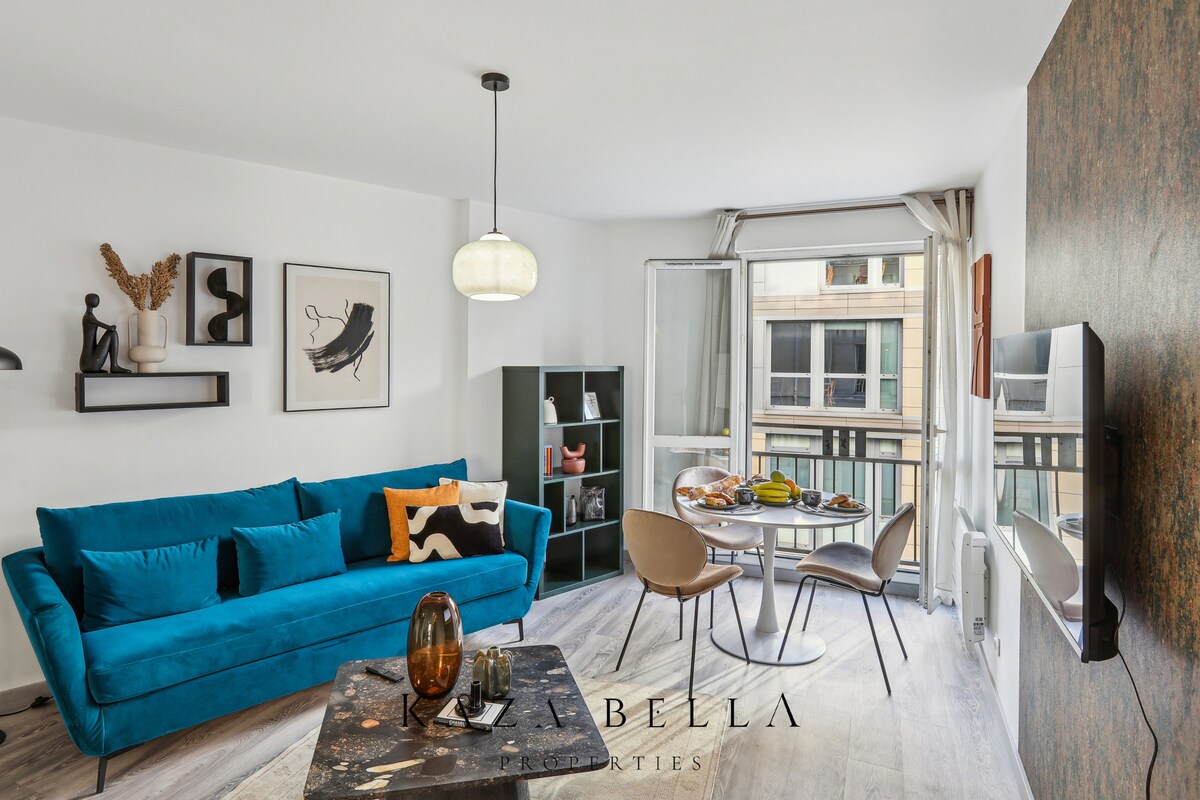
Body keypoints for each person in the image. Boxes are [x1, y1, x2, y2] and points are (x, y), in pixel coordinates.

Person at [79, 293, 131, 373]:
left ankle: (114, 365)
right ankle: (114, 366)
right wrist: (112, 327)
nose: (98, 301)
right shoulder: (88, 317)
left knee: (112, 333)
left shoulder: (90, 316)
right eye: (96, 299)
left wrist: (111, 327)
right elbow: (109, 328)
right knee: (112, 333)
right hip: (88, 363)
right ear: (90, 301)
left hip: (89, 360)